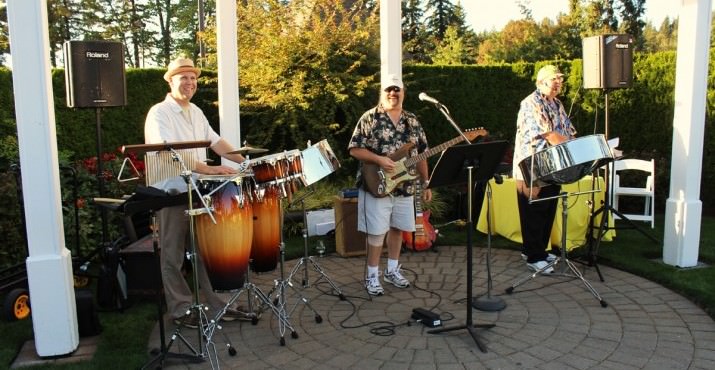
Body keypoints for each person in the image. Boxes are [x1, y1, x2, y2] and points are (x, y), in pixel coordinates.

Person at [144, 57, 251, 328]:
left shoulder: (196, 111)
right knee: (173, 255)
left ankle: (220, 306)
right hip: (171, 193)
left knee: (207, 251)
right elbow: (168, 149)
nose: (190, 83)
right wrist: (208, 169)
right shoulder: (159, 112)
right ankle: (181, 311)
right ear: (170, 81)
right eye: (184, 78)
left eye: (193, 78)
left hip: (198, 191)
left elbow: (216, 142)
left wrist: (246, 162)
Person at [348, 74, 432, 296]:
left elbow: (422, 154)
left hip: (405, 185)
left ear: (403, 93)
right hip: (375, 184)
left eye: (397, 89)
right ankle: (371, 276)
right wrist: (379, 160)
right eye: (389, 89)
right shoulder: (369, 118)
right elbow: (355, 149)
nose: (393, 93)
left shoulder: (412, 120)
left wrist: (426, 182)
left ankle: (392, 271)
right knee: (376, 234)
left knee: (397, 229)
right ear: (382, 93)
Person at [513, 65, 576, 274]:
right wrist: (571, 148)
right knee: (534, 209)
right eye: (553, 79)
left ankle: (538, 249)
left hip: (554, 163)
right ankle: (533, 256)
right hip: (533, 163)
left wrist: (576, 145)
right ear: (541, 82)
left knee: (549, 206)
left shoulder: (557, 104)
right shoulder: (532, 102)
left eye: (560, 79)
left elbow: (569, 131)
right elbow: (550, 134)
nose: (558, 82)